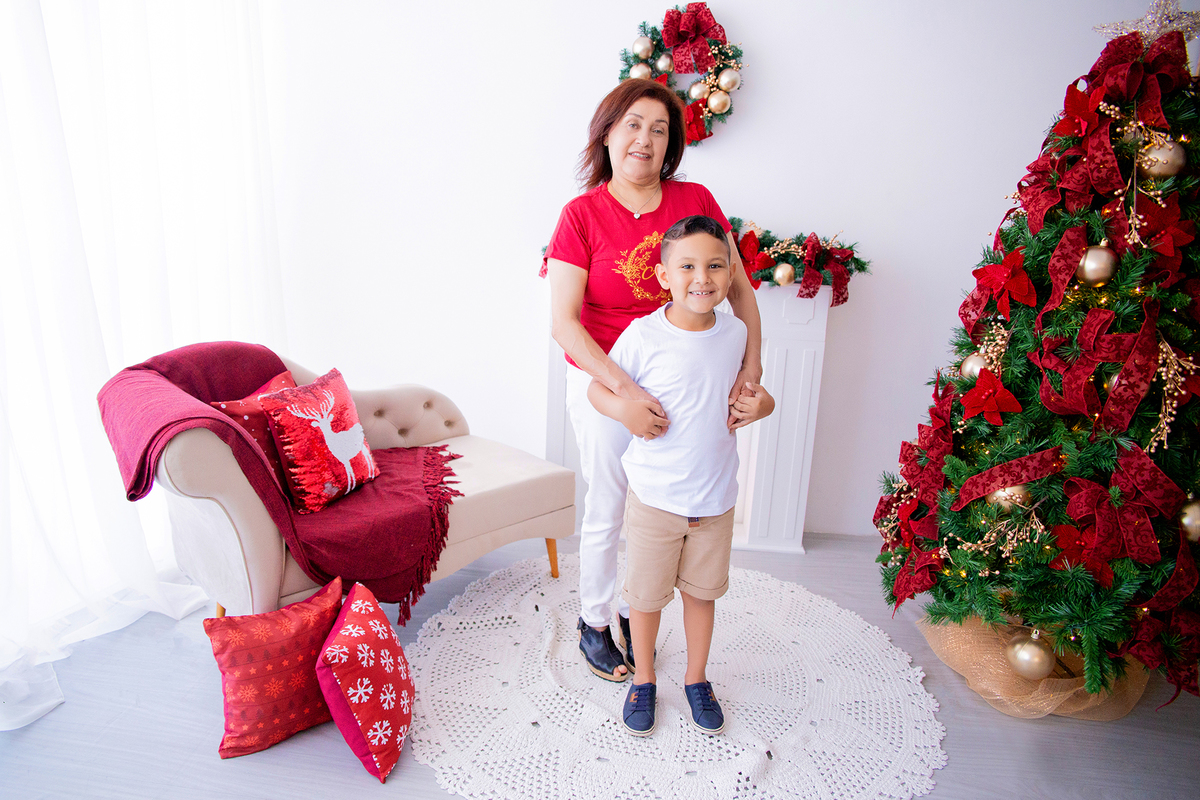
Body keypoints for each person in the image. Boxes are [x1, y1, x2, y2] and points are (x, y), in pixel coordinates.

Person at [544, 79, 764, 682]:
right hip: (605, 378)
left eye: (660, 129)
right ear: (608, 133)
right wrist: (626, 391)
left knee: (666, 501)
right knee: (612, 502)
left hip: (687, 374)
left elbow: (738, 287)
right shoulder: (581, 215)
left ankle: (635, 607)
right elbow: (564, 325)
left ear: (671, 145)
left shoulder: (694, 198)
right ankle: (595, 620)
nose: (645, 139)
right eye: (633, 124)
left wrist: (751, 367)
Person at [587, 215, 774, 736]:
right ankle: (643, 679)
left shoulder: (734, 333)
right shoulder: (644, 335)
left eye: (716, 266)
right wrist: (624, 411)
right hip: (654, 500)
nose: (703, 277)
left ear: (730, 271)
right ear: (664, 274)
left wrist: (765, 405)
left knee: (702, 595)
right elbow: (598, 391)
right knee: (645, 600)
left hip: (714, 500)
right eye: (687, 265)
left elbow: (753, 395)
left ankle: (696, 679)